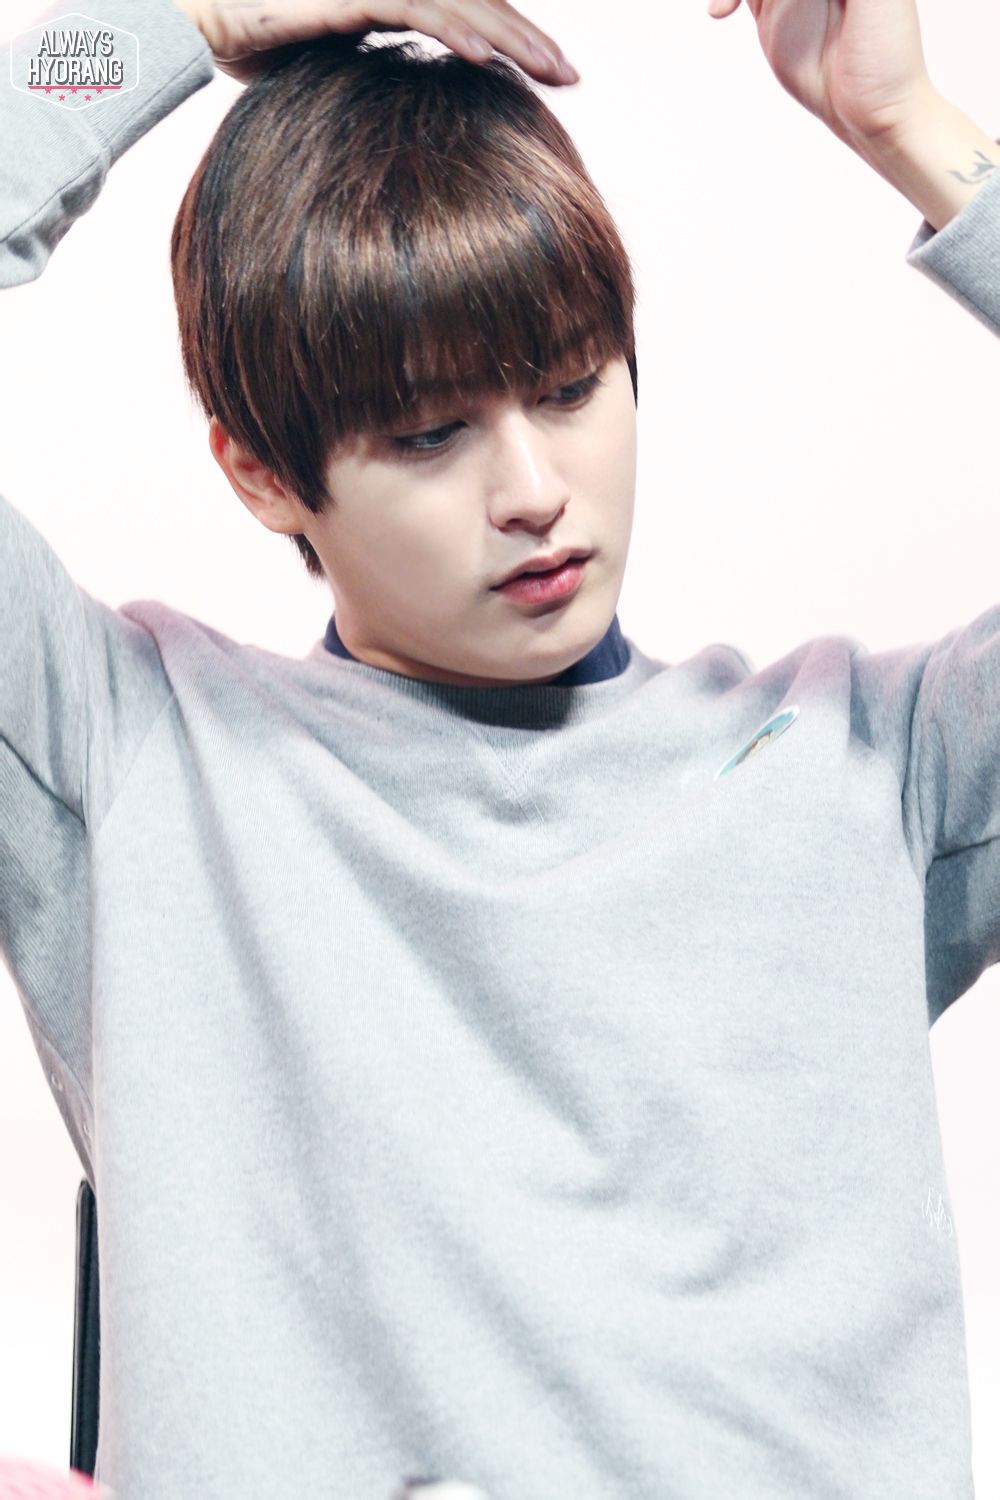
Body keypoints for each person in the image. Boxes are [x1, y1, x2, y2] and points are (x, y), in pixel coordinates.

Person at [1, 0, 998, 1496]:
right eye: (427, 434)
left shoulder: (872, 767)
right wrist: (174, 20)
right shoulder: (132, 762)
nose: (534, 489)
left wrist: (915, 129)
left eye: (571, 386)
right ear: (261, 473)